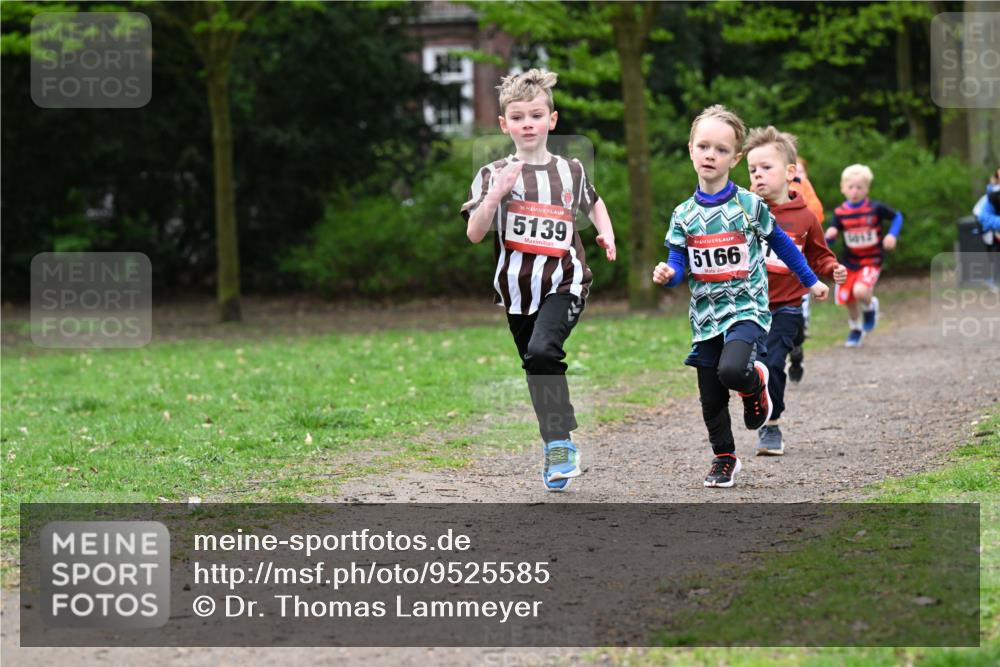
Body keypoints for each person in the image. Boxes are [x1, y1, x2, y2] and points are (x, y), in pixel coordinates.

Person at [653, 105, 828, 488]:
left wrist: (810, 280)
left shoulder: (748, 206)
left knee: (732, 370)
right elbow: (678, 262)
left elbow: (782, 244)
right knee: (710, 394)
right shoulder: (683, 214)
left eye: (720, 149)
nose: (710, 155)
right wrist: (669, 274)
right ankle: (724, 458)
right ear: (691, 150)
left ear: (735, 158)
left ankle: (754, 384)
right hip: (705, 315)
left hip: (746, 307)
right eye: (703, 146)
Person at [461, 69, 616, 492]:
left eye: (535, 114)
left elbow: (595, 203)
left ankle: (561, 444)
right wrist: (496, 194)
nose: (527, 123)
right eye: (517, 116)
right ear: (504, 125)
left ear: (552, 119)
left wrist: (606, 231)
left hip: (565, 282)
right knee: (535, 362)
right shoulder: (492, 174)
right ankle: (556, 445)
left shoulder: (571, 170)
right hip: (516, 291)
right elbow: (475, 234)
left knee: (545, 351)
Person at [744, 127, 846, 455]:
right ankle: (756, 401)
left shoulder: (805, 217)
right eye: (752, 169)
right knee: (745, 367)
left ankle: (771, 428)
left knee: (773, 362)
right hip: (746, 307)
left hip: (786, 305)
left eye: (766, 168)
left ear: (790, 172)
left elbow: (819, 254)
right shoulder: (742, 210)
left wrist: (832, 269)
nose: (758, 175)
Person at [825, 164, 903, 347]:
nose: (854, 191)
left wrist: (892, 234)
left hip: (872, 259)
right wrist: (830, 235)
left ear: (867, 189)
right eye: (850, 187)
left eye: (859, 187)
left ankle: (870, 306)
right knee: (847, 299)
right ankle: (855, 328)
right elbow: (832, 236)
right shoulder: (840, 213)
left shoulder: (875, 208)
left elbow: (897, 217)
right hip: (849, 262)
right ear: (843, 188)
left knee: (860, 291)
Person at [786, 155, 826, 381]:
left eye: (800, 171)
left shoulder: (806, 195)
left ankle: (797, 345)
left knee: (796, 317)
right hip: (769, 272)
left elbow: (817, 217)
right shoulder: (759, 191)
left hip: (799, 266)